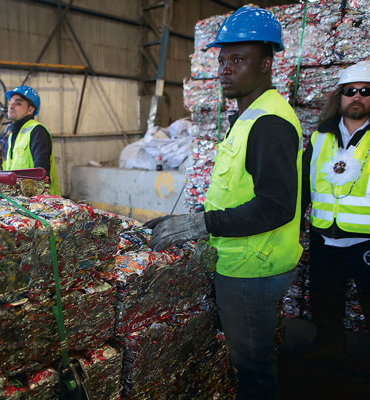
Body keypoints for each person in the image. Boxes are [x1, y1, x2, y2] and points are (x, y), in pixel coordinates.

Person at [145, 6, 302, 400]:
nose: (225, 69)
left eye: (238, 60)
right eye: (222, 60)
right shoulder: (248, 117)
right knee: (248, 355)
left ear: (266, 64)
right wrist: (197, 218)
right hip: (244, 258)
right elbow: (241, 191)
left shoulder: (268, 123)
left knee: (252, 363)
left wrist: (203, 225)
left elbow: (276, 205)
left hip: (254, 267)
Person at [300, 61, 370, 360]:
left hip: (365, 239)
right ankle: (330, 347)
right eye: (350, 91)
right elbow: (303, 186)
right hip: (324, 235)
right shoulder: (320, 138)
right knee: (324, 298)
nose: (357, 96)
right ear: (339, 97)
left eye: (366, 91)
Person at [2, 85, 61, 195]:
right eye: (11, 102)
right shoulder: (12, 136)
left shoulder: (37, 131)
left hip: (41, 203)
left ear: (30, 110)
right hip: (20, 200)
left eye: (18, 103)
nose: (11, 106)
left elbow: (41, 174)